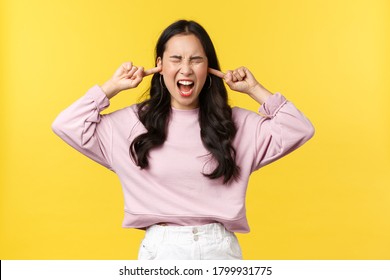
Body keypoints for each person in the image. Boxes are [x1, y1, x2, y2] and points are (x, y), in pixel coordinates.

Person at [52, 19, 314, 260]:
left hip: (219, 250)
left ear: (209, 68)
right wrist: (112, 86)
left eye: (196, 60)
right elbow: (66, 124)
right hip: (161, 250)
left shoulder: (235, 124)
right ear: (159, 65)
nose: (186, 69)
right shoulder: (130, 123)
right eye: (176, 59)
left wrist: (255, 89)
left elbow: (299, 127)